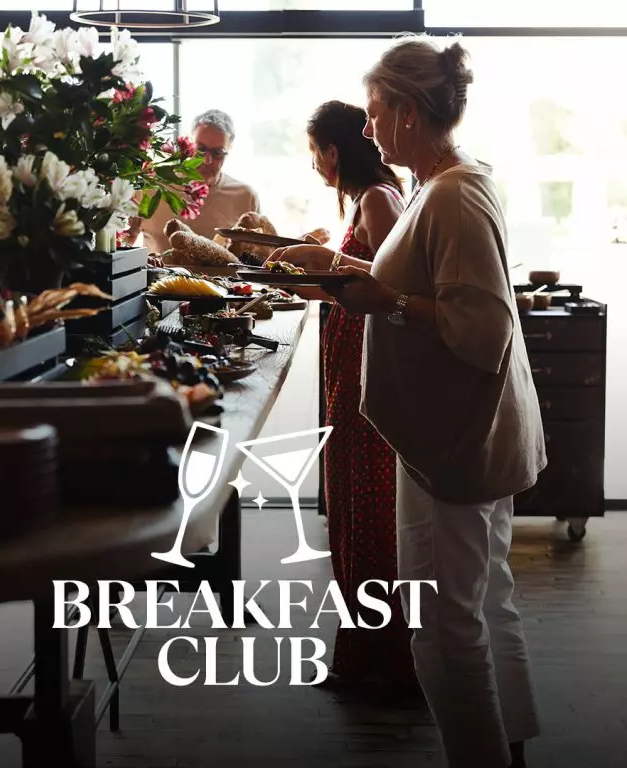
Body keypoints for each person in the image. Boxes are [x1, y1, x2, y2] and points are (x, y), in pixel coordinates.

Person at [268, 35, 546, 768]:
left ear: (411, 112)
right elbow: (427, 285)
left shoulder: (453, 194)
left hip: (451, 441)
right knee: (487, 605)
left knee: (444, 627)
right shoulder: (447, 183)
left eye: (375, 112)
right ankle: (508, 752)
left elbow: (480, 328)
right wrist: (334, 267)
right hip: (459, 434)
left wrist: (382, 297)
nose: (367, 129)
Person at [300, 100, 419, 696]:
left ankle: (389, 658)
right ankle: (364, 651)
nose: (315, 164)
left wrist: (319, 261)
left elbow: (390, 285)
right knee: (351, 508)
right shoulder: (365, 199)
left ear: (335, 150)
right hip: (350, 365)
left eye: (316, 151)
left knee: (367, 511)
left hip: (368, 367)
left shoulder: (377, 197)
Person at [125, 109, 260, 254]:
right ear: (189, 144)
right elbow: (125, 242)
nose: (207, 160)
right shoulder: (150, 186)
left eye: (218, 153)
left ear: (229, 150)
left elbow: (257, 258)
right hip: (157, 276)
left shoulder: (245, 197)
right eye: (201, 149)